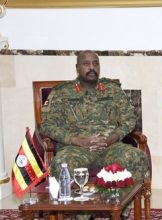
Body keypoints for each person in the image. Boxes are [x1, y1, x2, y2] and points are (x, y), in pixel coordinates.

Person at [40, 51, 148, 218]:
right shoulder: (62, 93)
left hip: (109, 146)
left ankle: (118, 210)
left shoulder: (112, 90)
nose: (92, 68)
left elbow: (129, 119)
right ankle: (81, 215)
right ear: (77, 67)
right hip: (76, 147)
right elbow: (47, 125)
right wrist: (76, 140)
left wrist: (114, 137)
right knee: (62, 163)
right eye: (86, 64)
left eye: (95, 63)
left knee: (137, 157)